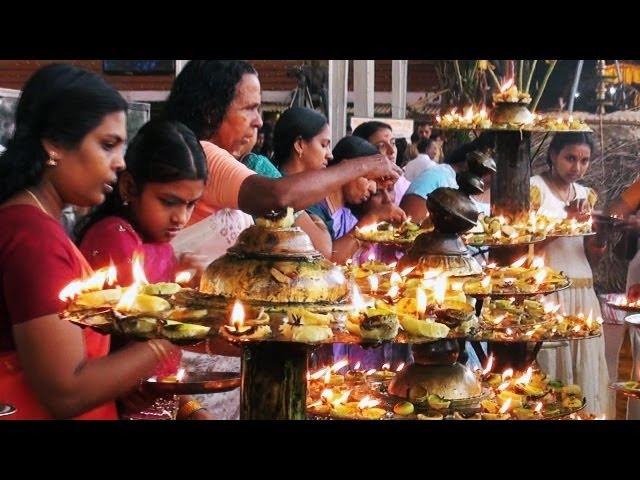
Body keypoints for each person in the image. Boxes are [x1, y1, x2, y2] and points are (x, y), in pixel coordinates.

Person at [0, 63, 182, 420]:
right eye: (107, 145)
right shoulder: (32, 236)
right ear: (54, 145)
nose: (120, 164)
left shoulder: (36, 224)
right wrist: (169, 337)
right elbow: (67, 391)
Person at [164, 61, 401, 263]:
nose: (258, 121)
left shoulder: (218, 158)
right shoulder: (203, 154)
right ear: (211, 111)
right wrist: (363, 166)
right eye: (250, 109)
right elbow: (280, 197)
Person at [530, 132, 613, 418]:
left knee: (584, 373)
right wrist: (565, 222)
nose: (577, 167)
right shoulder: (534, 189)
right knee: (551, 372)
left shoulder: (586, 195)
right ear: (553, 155)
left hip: (584, 295)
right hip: (550, 294)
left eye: (584, 160)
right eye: (570, 158)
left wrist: (601, 238)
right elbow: (523, 248)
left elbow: (590, 256)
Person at [301, 136, 406, 265]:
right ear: (349, 170)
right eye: (368, 178)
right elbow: (327, 262)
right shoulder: (311, 207)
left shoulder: (348, 215)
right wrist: (373, 218)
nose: (373, 189)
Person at [352, 120, 411, 206]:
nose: (391, 151)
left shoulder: (403, 184)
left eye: (393, 143)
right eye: (381, 146)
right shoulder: (359, 189)